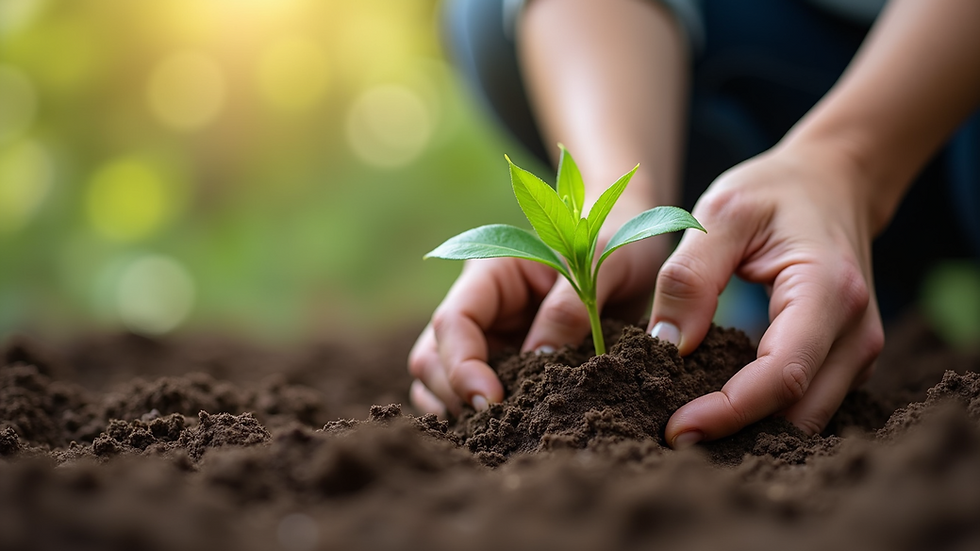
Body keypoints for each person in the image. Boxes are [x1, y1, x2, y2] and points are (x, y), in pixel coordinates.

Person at [408, 0, 980, 448]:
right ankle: (790, 293)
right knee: (488, 15)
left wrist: (846, 164)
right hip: (811, 54)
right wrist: (627, 200)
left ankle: (820, 272)